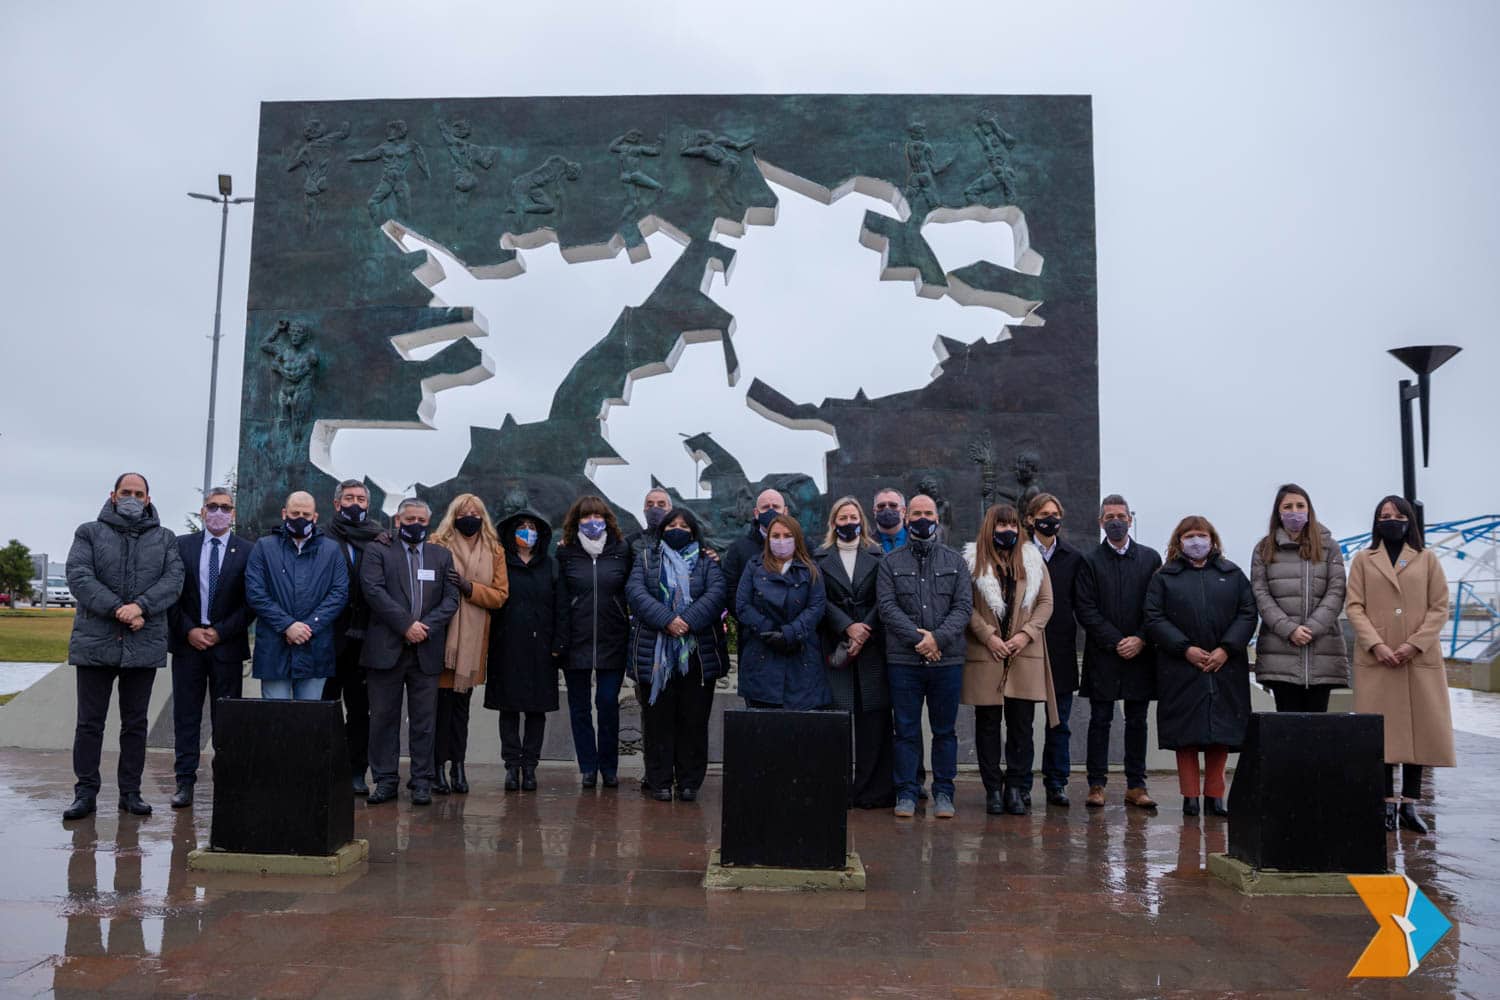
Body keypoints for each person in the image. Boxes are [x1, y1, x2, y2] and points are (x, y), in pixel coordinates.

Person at [62, 473, 185, 820]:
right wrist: (120, 609)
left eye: (138, 493)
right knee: (89, 723)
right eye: (125, 492)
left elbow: (173, 581)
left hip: (143, 644)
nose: (132, 497)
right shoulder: (88, 532)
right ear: (113, 495)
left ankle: (130, 792)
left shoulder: (165, 539)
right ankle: (85, 793)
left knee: (135, 724)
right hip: (95, 644)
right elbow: (80, 576)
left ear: (148, 499)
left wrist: (141, 607)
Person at [1346, 495, 1454, 834]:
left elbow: (1439, 607)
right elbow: (1354, 607)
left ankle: (1410, 805)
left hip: (1417, 658)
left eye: (1396, 515)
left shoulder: (1427, 560)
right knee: (1383, 735)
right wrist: (1376, 644)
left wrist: (1414, 643)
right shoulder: (1364, 560)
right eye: (1383, 515)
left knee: (1418, 732)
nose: (1390, 520)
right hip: (1377, 659)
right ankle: (1385, 805)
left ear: (1408, 520)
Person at [1145, 515, 1257, 819]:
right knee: (1187, 736)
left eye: (1201, 535)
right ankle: (1190, 797)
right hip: (1180, 667)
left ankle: (1215, 796)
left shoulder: (1232, 575)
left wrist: (1226, 649)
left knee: (1221, 735)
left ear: (1212, 539)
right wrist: (1186, 649)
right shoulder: (1164, 577)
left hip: (1225, 667)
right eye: (1189, 536)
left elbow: (1247, 613)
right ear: (1179, 541)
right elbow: (1154, 617)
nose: (1196, 542)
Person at [877, 494, 974, 819]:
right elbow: (888, 608)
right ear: (907, 518)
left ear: (936, 517)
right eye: (916, 513)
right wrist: (920, 640)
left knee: (944, 730)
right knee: (905, 729)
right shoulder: (890, 563)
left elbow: (963, 608)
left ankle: (944, 792)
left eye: (927, 513)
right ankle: (907, 792)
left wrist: (938, 639)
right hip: (903, 661)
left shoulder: (955, 562)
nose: (922, 518)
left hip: (946, 661)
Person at [360, 498, 460, 805]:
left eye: (420, 519)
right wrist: (406, 625)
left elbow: (451, 598)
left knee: (424, 721)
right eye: (409, 518)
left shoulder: (441, 556)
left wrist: (425, 627)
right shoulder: (378, 551)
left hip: (425, 652)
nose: (415, 523)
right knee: (383, 719)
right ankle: (386, 780)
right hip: (386, 650)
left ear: (428, 522)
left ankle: (422, 781)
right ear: (398, 520)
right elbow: (373, 590)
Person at [626, 507, 728, 801]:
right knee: (658, 720)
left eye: (684, 525)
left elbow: (717, 592)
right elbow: (636, 592)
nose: (678, 529)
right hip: (655, 655)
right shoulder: (646, 558)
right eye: (673, 524)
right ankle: (658, 780)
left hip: (698, 656)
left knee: (693, 720)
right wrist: (667, 620)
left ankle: (688, 782)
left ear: (694, 531)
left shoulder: (707, 562)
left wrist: (688, 621)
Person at [964, 503, 1059, 816]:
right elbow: (965, 605)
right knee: (988, 725)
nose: (1008, 531)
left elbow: (1045, 603)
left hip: (1023, 653)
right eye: (1001, 525)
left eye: (1013, 525)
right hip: (986, 652)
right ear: (990, 528)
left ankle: (1017, 787)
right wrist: (988, 635)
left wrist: (1025, 634)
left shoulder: (1032, 560)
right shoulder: (972, 561)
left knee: (1022, 726)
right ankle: (993, 788)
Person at [166, 487, 254, 809]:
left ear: (234, 514)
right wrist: (189, 629)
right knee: (186, 717)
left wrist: (219, 632)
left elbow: (251, 602)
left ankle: (226, 780)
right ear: (203, 511)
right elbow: (170, 593)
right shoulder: (181, 546)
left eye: (225, 507)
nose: (219, 512)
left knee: (227, 718)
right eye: (213, 506)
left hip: (226, 647)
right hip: (188, 645)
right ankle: (184, 782)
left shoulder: (247, 550)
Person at [1073, 494, 1162, 810]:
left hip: (1141, 654)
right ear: (1100, 522)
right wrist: (1116, 640)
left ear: (1130, 519)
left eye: (1121, 515)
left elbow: (1156, 606)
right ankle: (1096, 784)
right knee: (1100, 721)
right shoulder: (1089, 561)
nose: (1116, 521)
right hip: (1104, 655)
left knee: (1137, 722)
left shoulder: (1150, 559)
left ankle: (1136, 785)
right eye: (1109, 516)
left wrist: (1139, 639)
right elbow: (1085, 608)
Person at [813, 497, 894, 809]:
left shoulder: (878, 554)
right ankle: (838, 789)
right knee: (838, 719)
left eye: (853, 516)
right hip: (836, 647)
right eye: (842, 517)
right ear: (834, 523)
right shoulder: (820, 558)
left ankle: (872, 791)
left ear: (862, 520)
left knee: (873, 721)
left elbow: (884, 597)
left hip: (871, 649)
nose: (849, 522)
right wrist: (847, 627)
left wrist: (864, 628)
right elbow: (819, 599)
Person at [428, 494, 510, 794]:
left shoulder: (494, 550)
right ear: (453, 515)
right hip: (442, 641)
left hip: (473, 644)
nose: (470, 516)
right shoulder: (437, 544)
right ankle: (436, 768)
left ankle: (458, 767)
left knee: (461, 711)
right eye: (464, 512)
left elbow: (500, 595)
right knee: (439, 711)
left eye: (476, 512)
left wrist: (468, 588)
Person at [1249, 484, 1349, 712]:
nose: (1295, 511)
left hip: (1323, 652)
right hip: (1280, 652)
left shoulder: (1329, 547)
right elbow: (1261, 593)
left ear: (1309, 509)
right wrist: (1289, 629)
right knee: (1287, 729)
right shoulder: (1264, 549)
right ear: (1278, 512)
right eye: (1288, 506)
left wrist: (1312, 628)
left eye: (1300, 506)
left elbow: (1336, 591)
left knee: (1317, 730)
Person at [555, 495, 632, 790]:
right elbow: (560, 598)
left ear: (607, 519)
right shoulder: (565, 553)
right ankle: (588, 767)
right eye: (585, 517)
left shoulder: (622, 551)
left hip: (613, 639)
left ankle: (609, 767)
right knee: (579, 708)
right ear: (576, 522)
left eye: (597, 516)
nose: (591, 522)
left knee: (607, 703)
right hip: (576, 641)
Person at [245, 491, 349, 702]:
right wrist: (287, 625)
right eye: (295, 513)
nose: (301, 518)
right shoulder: (264, 547)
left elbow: (339, 593)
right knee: (275, 719)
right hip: (275, 648)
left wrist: (309, 626)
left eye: (306, 513)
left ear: (315, 517)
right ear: (284, 513)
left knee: (308, 721)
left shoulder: (331, 550)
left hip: (315, 648)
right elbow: (255, 592)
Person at [483, 507, 559, 792]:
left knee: (537, 710)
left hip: (542, 648)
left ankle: (530, 766)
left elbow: (560, 606)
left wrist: (558, 642)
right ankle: (511, 766)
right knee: (509, 709)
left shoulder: (550, 565)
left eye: (532, 527)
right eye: (521, 526)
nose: (527, 532)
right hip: (507, 646)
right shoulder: (500, 564)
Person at [321, 479, 384, 794]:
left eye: (360, 498)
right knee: (326, 708)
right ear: (336, 503)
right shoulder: (323, 538)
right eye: (349, 498)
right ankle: (327, 770)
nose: (355, 503)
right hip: (329, 639)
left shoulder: (379, 538)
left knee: (361, 711)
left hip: (367, 640)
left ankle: (357, 771)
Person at [735, 514, 830, 710]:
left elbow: (816, 607)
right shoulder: (754, 567)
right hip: (762, 656)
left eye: (787, 535)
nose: (781, 541)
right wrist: (769, 631)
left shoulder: (811, 570)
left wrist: (788, 634)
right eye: (775, 536)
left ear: (797, 539)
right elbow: (743, 605)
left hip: (800, 657)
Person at [1027, 492, 1085, 807]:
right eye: (1044, 514)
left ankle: (1056, 782)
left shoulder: (1073, 558)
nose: (1050, 520)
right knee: (1021, 723)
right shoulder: (1018, 554)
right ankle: (1021, 783)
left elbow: (1081, 603)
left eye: (1054, 514)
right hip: (1024, 646)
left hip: (1060, 650)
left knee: (1059, 723)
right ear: (1030, 519)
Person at [721, 488, 788, 601]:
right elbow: (730, 590)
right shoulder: (738, 549)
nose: (771, 511)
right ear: (756, 513)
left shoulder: (804, 545)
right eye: (765, 507)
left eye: (776, 507)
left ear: (785, 512)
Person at [625, 487, 674, 559]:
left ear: (670, 510)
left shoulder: (680, 538)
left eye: (661, 505)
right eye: (650, 505)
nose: (655, 508)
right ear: (644, 510)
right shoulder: (630, 542)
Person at [872, 487, 909, 553]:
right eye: (881, 506)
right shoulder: (866, 544)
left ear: (903, 511)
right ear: (874, 511)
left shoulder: (917, 540)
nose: (887, 509)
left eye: (893, 505)